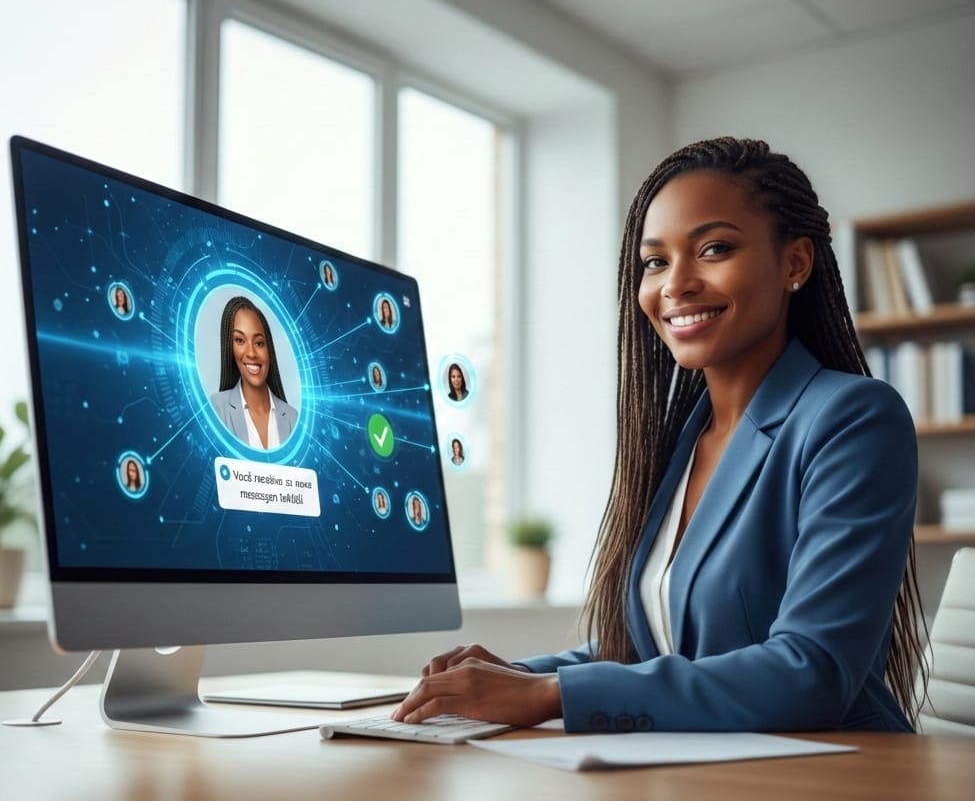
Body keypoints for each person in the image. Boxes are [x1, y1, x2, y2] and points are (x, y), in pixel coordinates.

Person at [393, 137, 926, 733]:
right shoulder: (681, 442)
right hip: (703, 773)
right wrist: (509, 678)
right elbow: (647, 658)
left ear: (795, 263)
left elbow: (812, 670)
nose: (676, 284)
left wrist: (549, 695)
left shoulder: (852, 418)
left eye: (714, 249)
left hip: (838, 777)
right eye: (655, 261)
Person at [210, 295, 298, 449]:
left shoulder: (293, 418)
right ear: (229, 348)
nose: (251, 353)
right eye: (240, 340)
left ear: (269, 349)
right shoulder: (216, 409)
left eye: (259, 343)